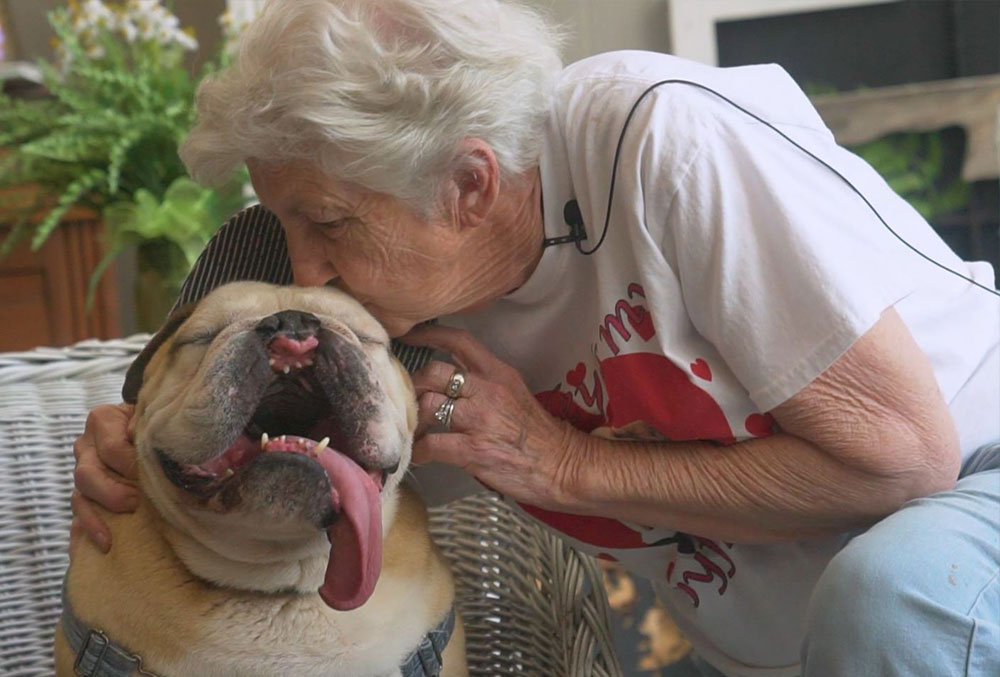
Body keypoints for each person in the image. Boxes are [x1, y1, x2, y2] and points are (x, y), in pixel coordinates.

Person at [70, 0, 999, 675]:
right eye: (289, 220)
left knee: (892, 586)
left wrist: (563, 464)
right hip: (771, 645)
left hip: (971, 482)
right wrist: (132, 428)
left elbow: (907, 461)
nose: (306, 268)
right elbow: (204, 347)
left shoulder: (662, 144)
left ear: (470, 188)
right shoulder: (379, 271)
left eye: (327, 222)